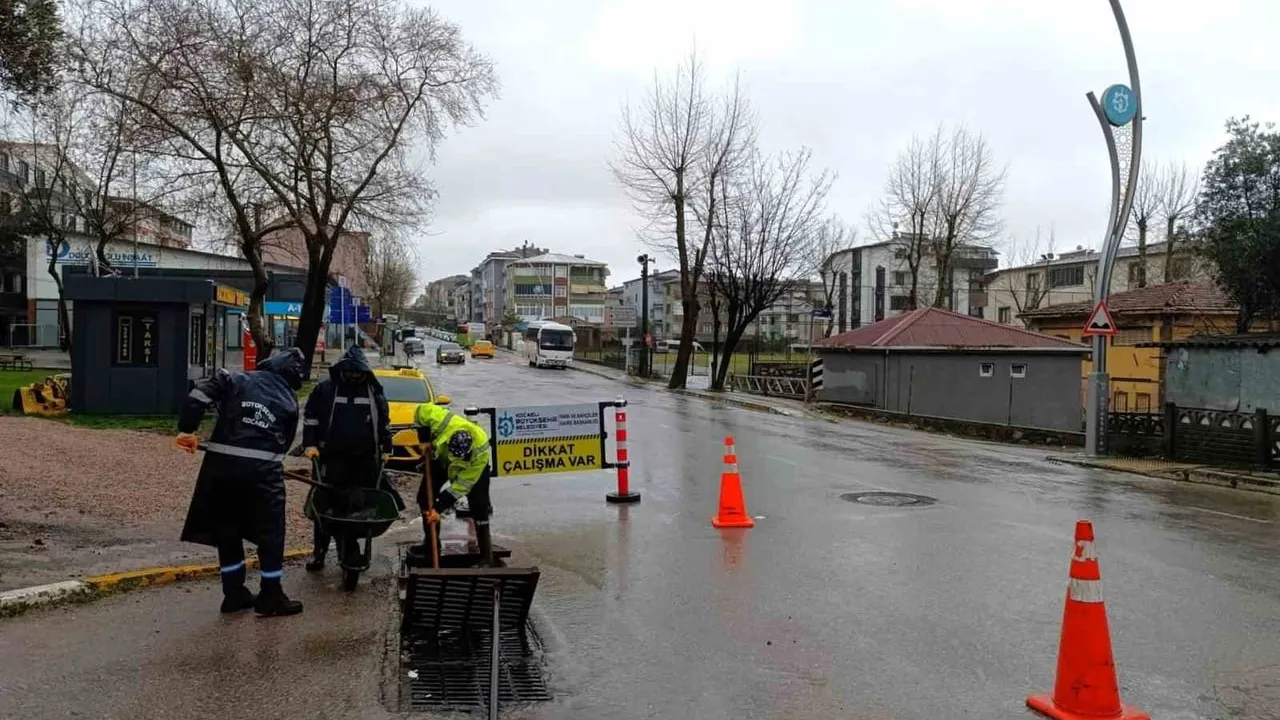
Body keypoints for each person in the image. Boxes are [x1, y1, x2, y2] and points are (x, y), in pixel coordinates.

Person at [174, 347, 306, 617]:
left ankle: (234, 593)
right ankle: (271, 595)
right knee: (271, 532)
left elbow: (198, 396)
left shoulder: (234, 379)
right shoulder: (289, 400)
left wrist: (187, 430)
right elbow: (285, 443)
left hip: (221, 470)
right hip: (262, 475)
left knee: (228, 529)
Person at [301, 346, 391, 571]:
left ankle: (352, 546)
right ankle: (319, 552)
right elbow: (311, 418)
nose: (355, 376)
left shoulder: (372, 392)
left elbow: (384, 423)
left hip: (364, 460)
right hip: (331, 458)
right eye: (351, 372)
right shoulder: (326, 390)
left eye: (359, 373)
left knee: (359, 505)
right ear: (342, 370)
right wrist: (310, 445)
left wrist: (386, 448)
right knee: (325, 505)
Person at [410, 403, 495, 566]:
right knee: (424, 499)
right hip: (442, 460)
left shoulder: (480, 452)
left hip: (470, 470)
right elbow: (421, 410)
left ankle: (486, 557)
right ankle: (431, 546)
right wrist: (424, 439)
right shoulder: (444, 422)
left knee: (479, 506)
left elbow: (461, 486)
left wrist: (439, 508)